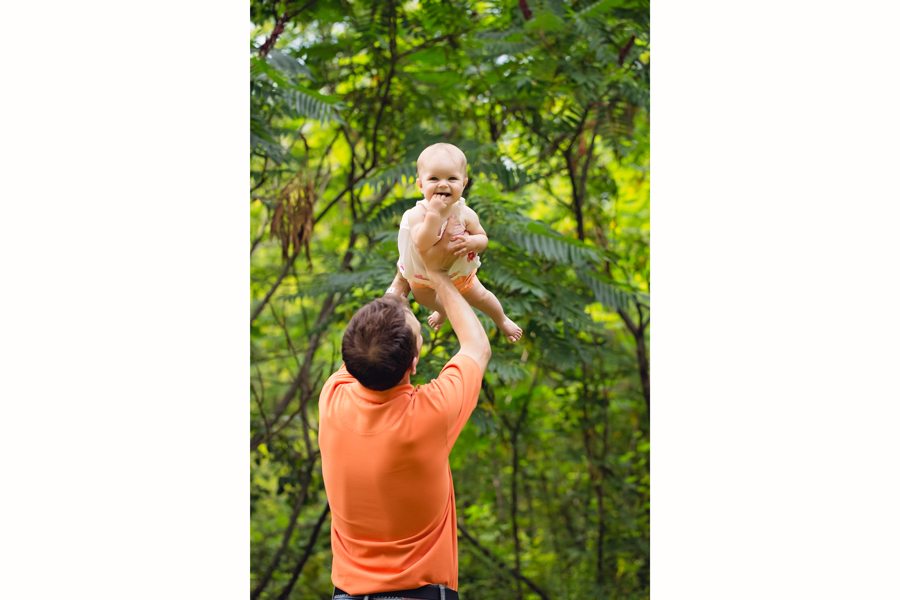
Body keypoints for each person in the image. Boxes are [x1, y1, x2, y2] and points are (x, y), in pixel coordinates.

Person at [318, 218, 492, 600]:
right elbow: (476, 347)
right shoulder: (431, 413)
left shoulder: (333, 399)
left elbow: (369, 342)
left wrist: (401, 280)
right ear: (414, 363)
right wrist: (436, 272)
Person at [395, 142, 523, 343]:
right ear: (421, 185)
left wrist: (473, 241)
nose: (443, 184)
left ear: (463, 183)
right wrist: (434, 215)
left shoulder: (464, 213)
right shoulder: (417, 214)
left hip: (460, 274)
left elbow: (483, 238)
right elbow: (422, 242)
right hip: (424, 276)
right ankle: (442, 310)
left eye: (452, 178)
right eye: (434, 179)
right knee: (423, 298)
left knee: (483, 297)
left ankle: (502, 319)